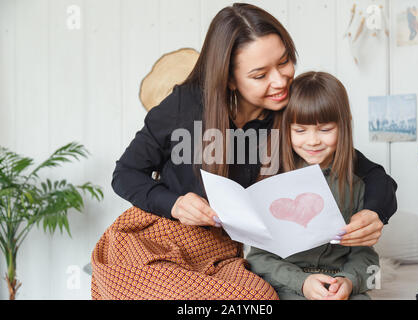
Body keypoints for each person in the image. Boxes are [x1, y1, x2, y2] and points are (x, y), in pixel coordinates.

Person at [91, 3, 396, 300]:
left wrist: (373, 212)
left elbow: (371, 173)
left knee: (258, 297)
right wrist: (174, 204)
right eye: (260, 75)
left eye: (284, 61)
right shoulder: (184, 106)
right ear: (229, 79)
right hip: (156, 239)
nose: (279, 80)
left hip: (222, 255)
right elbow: (125, 174)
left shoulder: (289, 118)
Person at [247, 71, 380, 300]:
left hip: (338, 283)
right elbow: (258, 259)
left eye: (325, 129)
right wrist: (302, 282)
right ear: (287, 128)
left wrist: (348, 282)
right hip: (289, 283)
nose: (312, 141)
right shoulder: (272, 182)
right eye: (300, 130)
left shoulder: (357, 184)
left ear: (344, 126)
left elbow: (367, 258)